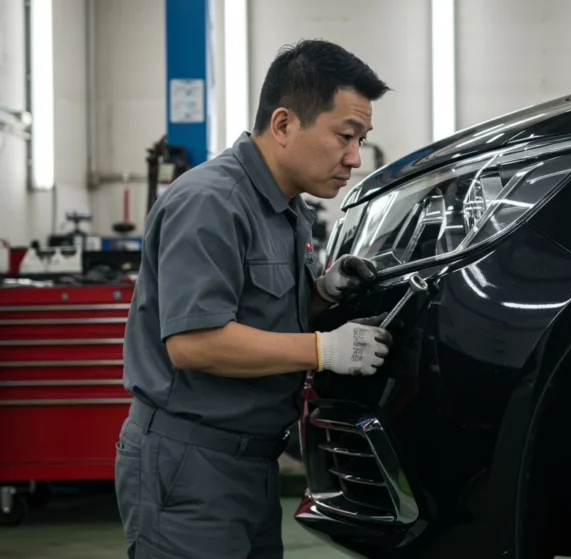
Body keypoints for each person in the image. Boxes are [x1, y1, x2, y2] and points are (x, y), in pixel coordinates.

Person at [113, 39, 392, 559]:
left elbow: (261, 316)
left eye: (361, 139)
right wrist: (323, 349)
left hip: (251, 464)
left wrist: (321, 299)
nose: (354, 157)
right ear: (284, 125)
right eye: (344, 136)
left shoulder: (288, 211)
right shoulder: (210, 203)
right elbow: (196, 344)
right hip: (190, 464)